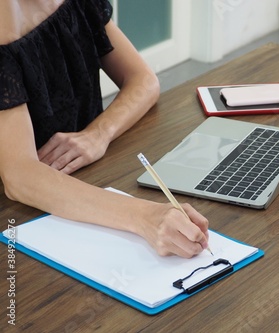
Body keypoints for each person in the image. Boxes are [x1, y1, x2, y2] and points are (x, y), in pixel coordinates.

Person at [0, 0, 210, 258]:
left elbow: (143, 80)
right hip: (23, 215)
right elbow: (19, 176)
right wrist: (146, 216)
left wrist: (98, 134)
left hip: (88, 182)